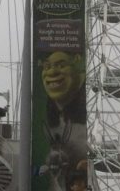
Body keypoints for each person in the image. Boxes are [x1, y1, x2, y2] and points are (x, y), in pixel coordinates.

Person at [38, 51, 87, 191]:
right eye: (47, 67)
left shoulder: (77, 126)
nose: (52, 71)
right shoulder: (51, 113)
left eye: (61, 65)